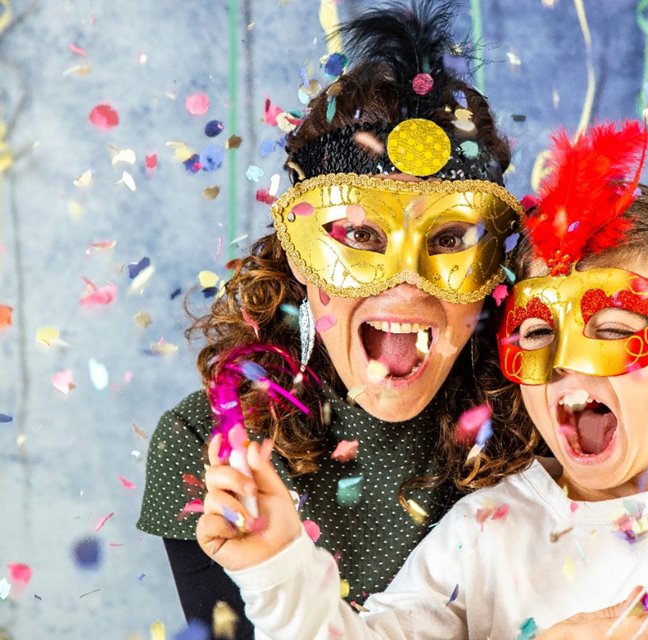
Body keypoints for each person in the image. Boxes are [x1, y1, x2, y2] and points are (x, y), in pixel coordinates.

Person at [197, 120, 648, 639]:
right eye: (540, 333)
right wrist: (281, 566)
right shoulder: (485, 531)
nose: (570, 363)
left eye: (610, 330)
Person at [136, 2, 538, 637]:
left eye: (452, 238)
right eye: (358, 234)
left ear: (496, 266)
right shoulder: (214, 445)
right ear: (298, 253)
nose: (407, 283)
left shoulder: (570, 421)